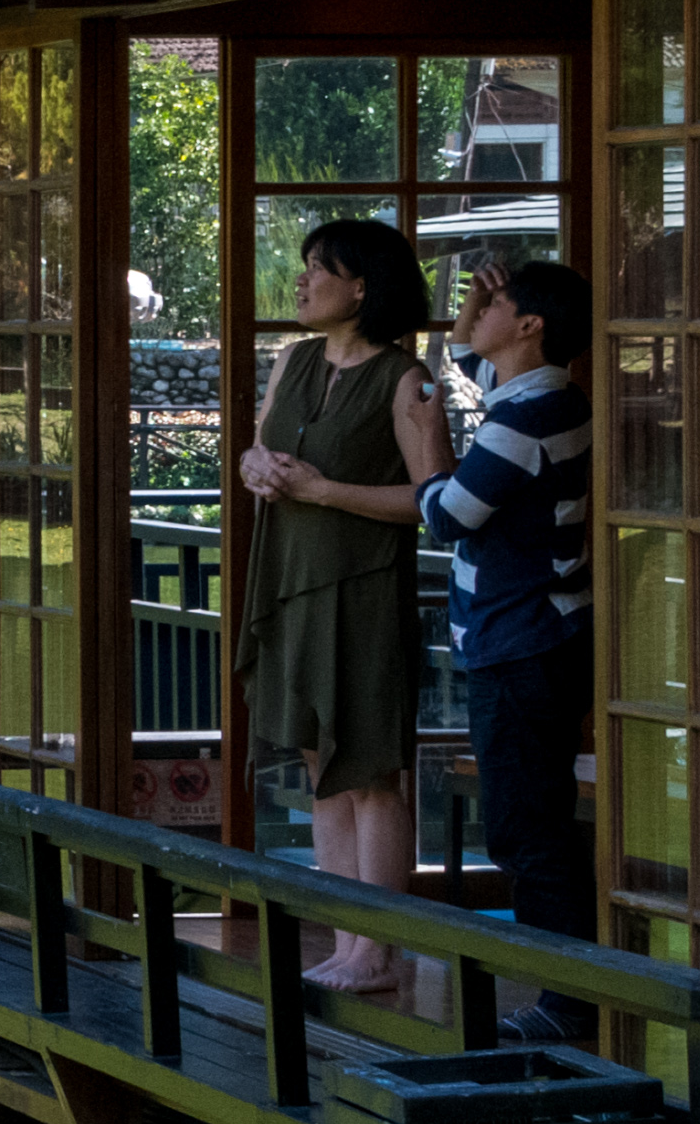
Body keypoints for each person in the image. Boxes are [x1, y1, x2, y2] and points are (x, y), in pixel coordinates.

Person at [231, 214, 447, 993]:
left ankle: (380, 950)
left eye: (318, 268)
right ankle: (346, 941)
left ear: (361, 287)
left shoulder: (406, 378)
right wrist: (258, 467)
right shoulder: (291, 361)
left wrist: (323, 491)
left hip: (360, 587)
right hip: (287, 576)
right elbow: (261, 444)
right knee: (320, 762)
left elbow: (435, 499)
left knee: (369, 770)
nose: (301, 280)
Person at [427, 256, 599, 979]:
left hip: (522, 638)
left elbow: (449, 515)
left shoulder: (524, 419)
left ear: (529, 326)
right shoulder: (544, 397)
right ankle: (568, 985)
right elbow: (466, 349)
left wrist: (422, 446)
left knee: (529, 830)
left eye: (498, 305)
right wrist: (476, 295)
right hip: (540, 633)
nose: (479, 316)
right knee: (535, 822)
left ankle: (568, 994)